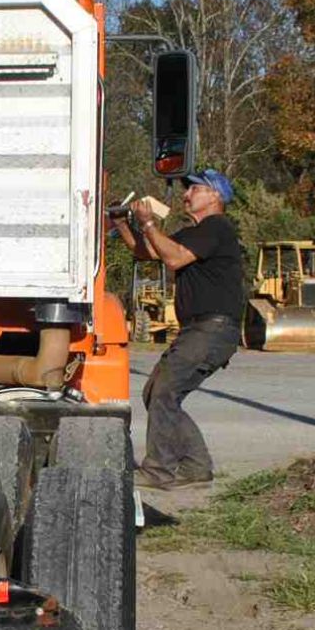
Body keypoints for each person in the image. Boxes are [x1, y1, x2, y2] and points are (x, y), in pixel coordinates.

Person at [113, 168, 243, 489]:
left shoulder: (217, 228)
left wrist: (147, 223)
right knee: (155, 392)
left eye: (194, 190)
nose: (186, 195)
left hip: (212, 329)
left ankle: (158, 471)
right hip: (199, 331)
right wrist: (121, 222)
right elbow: (147, 253)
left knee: (164, 393)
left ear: (215, 197)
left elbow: (174, 260)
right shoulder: (194, 232)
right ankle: (197, 467)